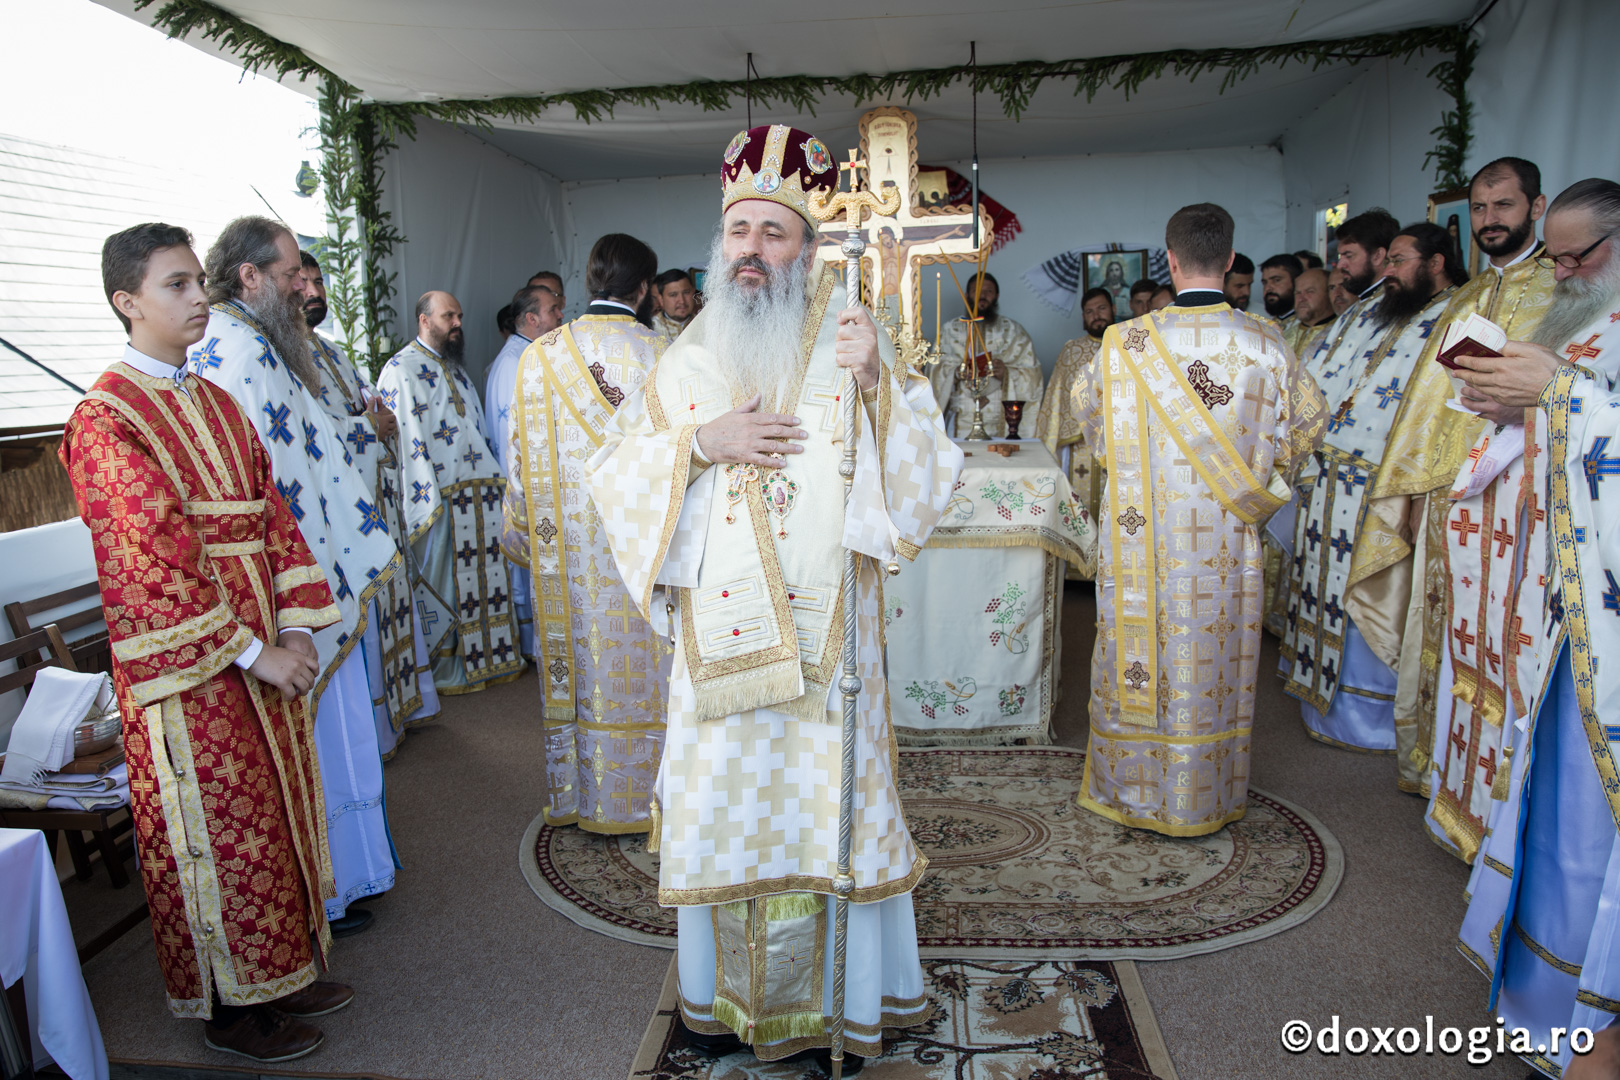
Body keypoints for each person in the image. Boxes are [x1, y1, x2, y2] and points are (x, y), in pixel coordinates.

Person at [587, 123, 963, 1069]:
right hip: (720, 648)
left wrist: (877, 385)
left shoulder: (856, 337)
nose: (753, 249)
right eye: (740, 230)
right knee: (732, 811)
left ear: (808, 244)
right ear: (722, 241)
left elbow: (927, 466)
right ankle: (724, 1004)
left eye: (775, 232)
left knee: (822, 810)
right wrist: (699, 445)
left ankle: (844, 1004)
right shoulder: (688, 351)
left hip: (831, 641)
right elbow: (615, 470)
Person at [63, 222, 350, 1061]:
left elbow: (272, 517)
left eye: (198, 281)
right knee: (219, 833)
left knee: (273, 818)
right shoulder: (106, 419)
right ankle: (228, 1011)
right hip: (189, 672)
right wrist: (257, 653)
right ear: (127, 302)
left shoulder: (215, 401)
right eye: (177, 285)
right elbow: (152, 563)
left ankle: (282, 971)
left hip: (263, 646)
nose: (199, 298)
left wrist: (292, 626)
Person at [1072, 202, 1326, 836]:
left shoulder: (1123, 343)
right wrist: (1258, 474)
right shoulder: (1267, 342)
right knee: (1215, 662)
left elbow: (1094, 430)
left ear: (1171, 260)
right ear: (1231, 259)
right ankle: (1207, 796)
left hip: (1141, 540)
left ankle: (1133, 790)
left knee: (1140, 657)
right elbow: (1308, 426)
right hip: (1226, 545)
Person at [187, 217, 404, 936]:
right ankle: (329, 887)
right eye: (288, 275)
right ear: (249, 275)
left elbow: (314, 445)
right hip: (289, 584)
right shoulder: (241, 350)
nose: (299, 288)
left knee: (334, 725)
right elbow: (271, 479)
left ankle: (346, 875)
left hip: (306, 569)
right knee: (317, 729)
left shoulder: (257, 342)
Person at [1448, 177, 1620, 1080]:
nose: (1560, 273)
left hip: (1605, 610)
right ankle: (1552, 998)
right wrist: (1519, 406)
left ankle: (1591, 1018)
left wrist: (1558, 394)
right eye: (1554, 257)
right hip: (1566, 598)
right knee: (1558, 790)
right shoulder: (1587, 318)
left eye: (1576, 257)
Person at [1397, 158, 1554, 819]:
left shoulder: (1564, 290)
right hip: (1451, 495)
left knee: (1506, 639)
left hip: (1521, 495)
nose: (1490, 219)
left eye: (1504, 205)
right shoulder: (1463, 300)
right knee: (1447, 631)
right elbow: (1423, 409)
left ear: (1536, 207)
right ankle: (1444, 776)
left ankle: (1501, 804)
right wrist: (1411, 493)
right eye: (1481, 208)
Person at [502, 233, 671, 833]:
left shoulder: (540, 356)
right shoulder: (665, 354)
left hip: (569, 554)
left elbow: (520, 463)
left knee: (586, 665)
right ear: (645, 289)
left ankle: (582, 795)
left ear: (591, 281)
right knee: (649, 670)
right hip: (644, 550)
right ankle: (655, 798)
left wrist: (522, 531)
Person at [1281, 222, 1465, 756]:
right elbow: (1318, 376)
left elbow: (1444, 413)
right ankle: (1321, 705)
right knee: (1321, 589)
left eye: (1399, 261)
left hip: (1383, 482)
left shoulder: (1456, 317)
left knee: (1369, 593)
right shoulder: (1372, 310)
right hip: (1329, 475)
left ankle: (1371, 717)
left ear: (1435, 263)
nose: (1388, 271)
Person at [298, 252, 437, 758]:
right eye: (302, 281)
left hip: (372, 500)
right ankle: (374, 730)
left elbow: (366, 408)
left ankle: (400, 712)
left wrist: (376, 419)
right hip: (339, 513)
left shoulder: (332, 351)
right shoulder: (284, 358)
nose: (314, 291)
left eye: (319, 281)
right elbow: (311, 436)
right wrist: (368, 427)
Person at [376, 291, 525, 694]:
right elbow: (405, 439)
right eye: (448, 316)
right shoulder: (401, 370)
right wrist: (423, 497)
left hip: (481, 492)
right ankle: (450, 667)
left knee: (487, 582)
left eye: (458, 315)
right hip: (439, 496)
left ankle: (492, 658)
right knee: (447, 584)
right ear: (425, 320)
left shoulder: (456, 368)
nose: (457, 323)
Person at [483, 283, 565, 663]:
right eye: (552, 310)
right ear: (531, 318)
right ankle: (536, 648)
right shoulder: (515, 363)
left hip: (537, 481)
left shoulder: (529, 354)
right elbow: (512, 436)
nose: (560, 315)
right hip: (527, 485)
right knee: (530, 569)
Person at [1034, 285, 1113, 578]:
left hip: (1117, 444)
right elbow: (1057, 396)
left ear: (1113, 309)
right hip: (1079, 445)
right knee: (1078, 505)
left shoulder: (1126, 345)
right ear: (1083, 317)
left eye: (1101, 308)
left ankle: (1110, 570)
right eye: (1089, 311)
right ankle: (1078, 571)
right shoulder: (1072, 349)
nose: (1096, 315)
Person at [932, 271, 1045, 437]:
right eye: (976, 291)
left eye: (988, 291)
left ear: (997, 296)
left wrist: (1007, 373)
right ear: (967, 295)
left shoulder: (1013, 331)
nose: (982, 296)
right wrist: (955, 372)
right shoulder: (949, 331)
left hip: (1000, 418)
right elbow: (934, 371)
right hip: (960, 417)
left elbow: (1033, 376)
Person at [651, 268, 698, 344]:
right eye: (673, 295)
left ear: (693, 292)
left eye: (686, 292)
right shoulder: (650, 328)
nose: (682, 301)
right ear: (661, 299)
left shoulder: (706, 324)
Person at [1259, 253, 1303, 320]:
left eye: (1276, 280)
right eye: (1265, 283)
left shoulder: (1309, 323)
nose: (1267, 288)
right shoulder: (1265, 323)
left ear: (1296, 282)